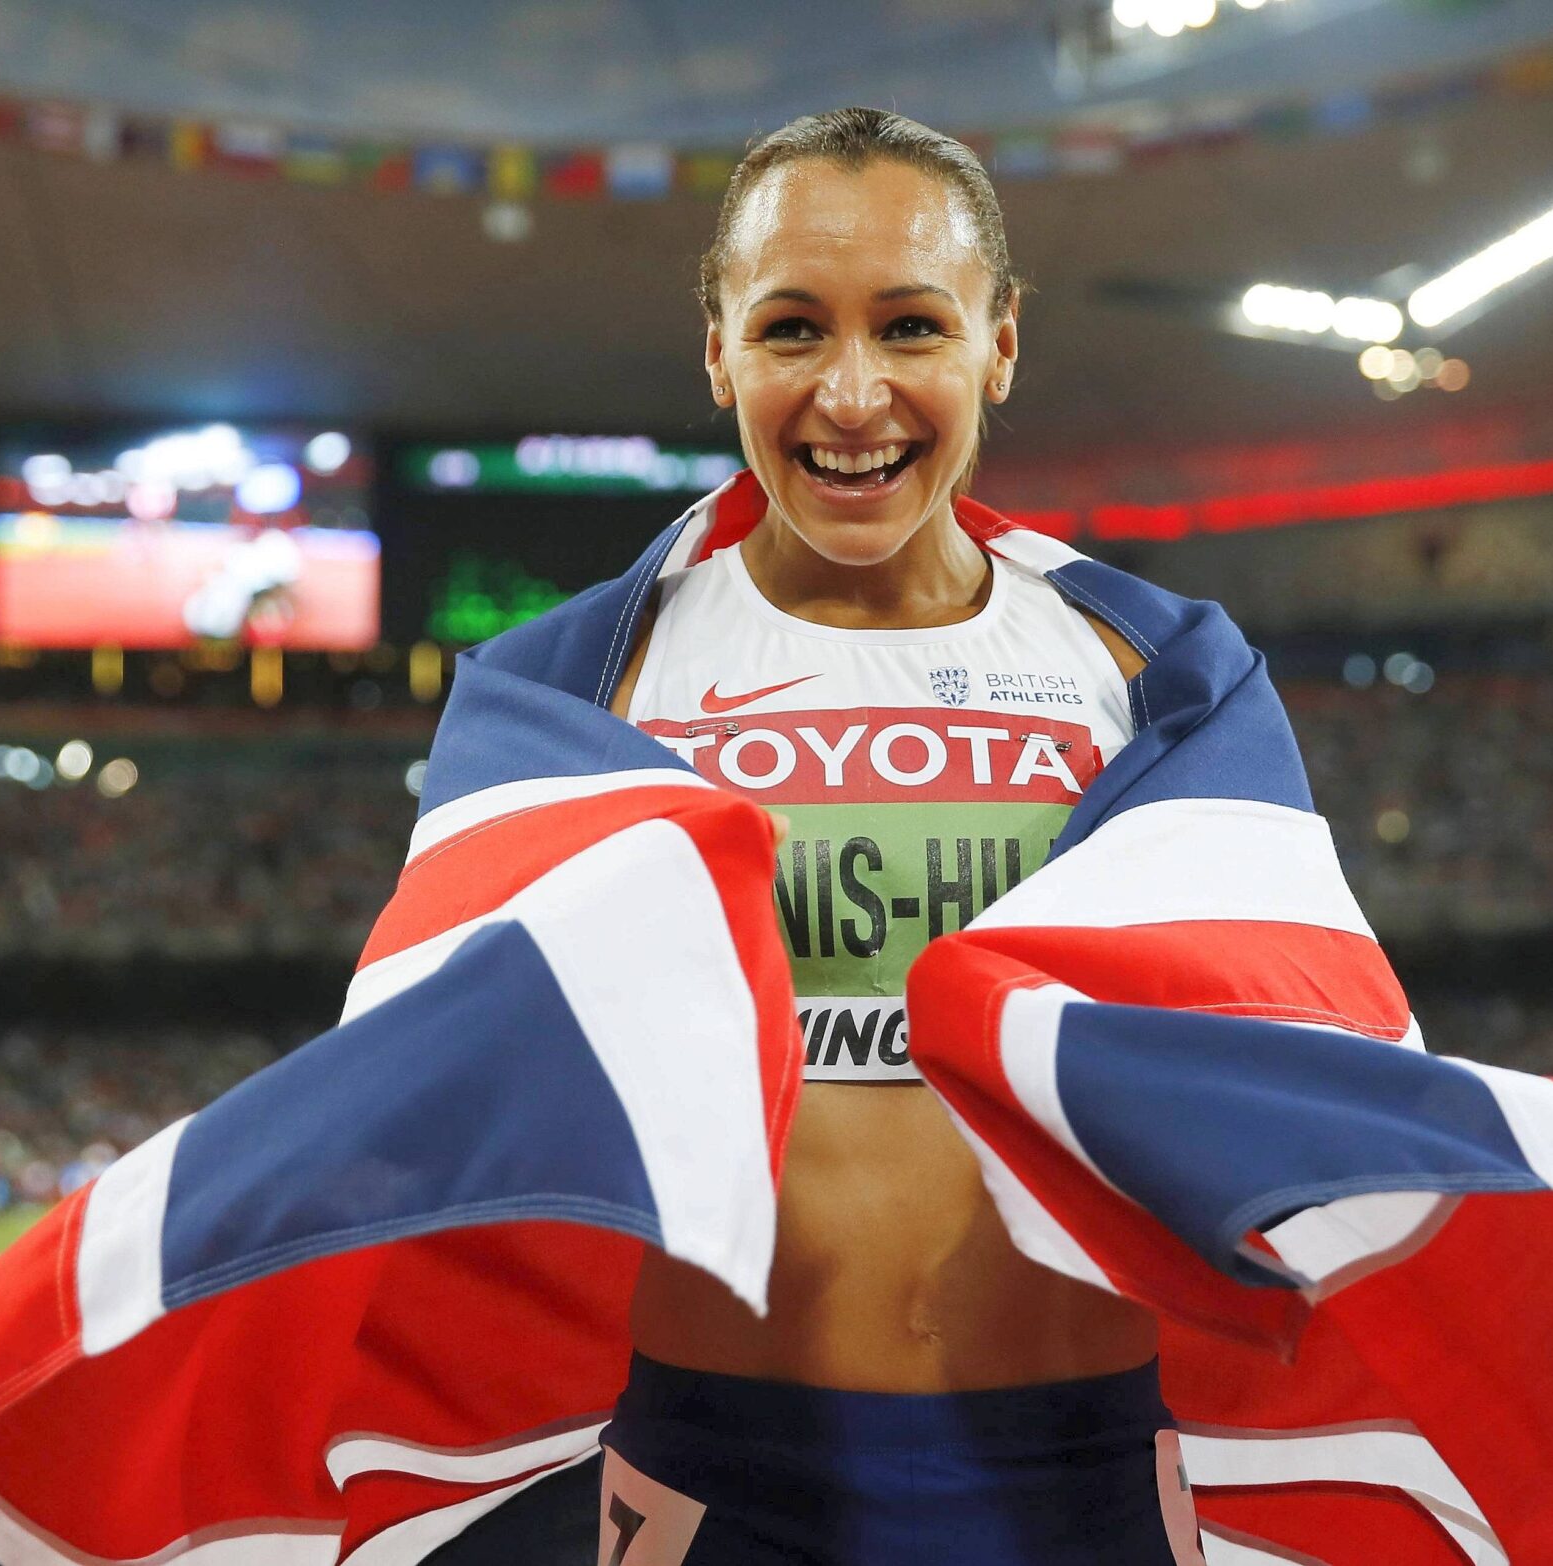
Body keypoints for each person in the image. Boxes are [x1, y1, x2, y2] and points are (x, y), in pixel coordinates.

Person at [596, 108, 1184, 1562]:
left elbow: (1288, 1029)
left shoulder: (1152, 670)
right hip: (718, 1460)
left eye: (912, 325)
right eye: (793, 328)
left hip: (1081, 1450)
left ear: (999, 342)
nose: (852, 394)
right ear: (720, 346)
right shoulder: (587, 686)